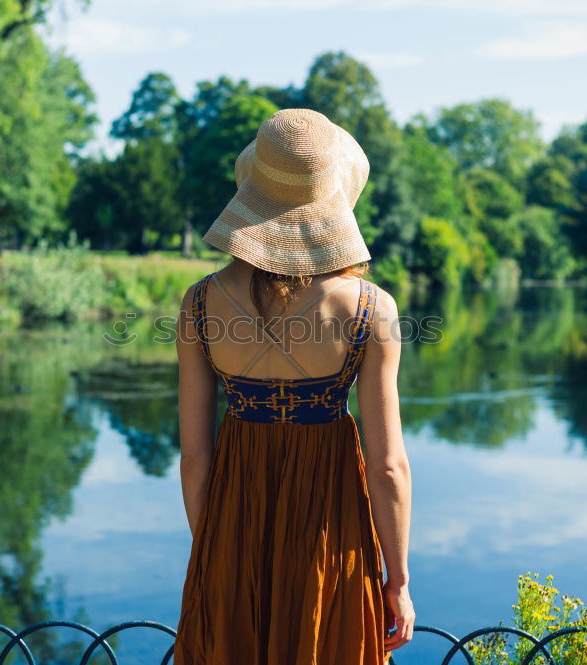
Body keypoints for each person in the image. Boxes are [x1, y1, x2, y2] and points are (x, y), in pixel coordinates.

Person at [174, 108, 414, 664]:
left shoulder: (200, 304)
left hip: (231, 520)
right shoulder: (372, 310)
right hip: (331, 524)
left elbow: (193, 456)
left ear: (254, 189)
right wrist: (397, 580)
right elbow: (387, 467)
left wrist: (214, 554)